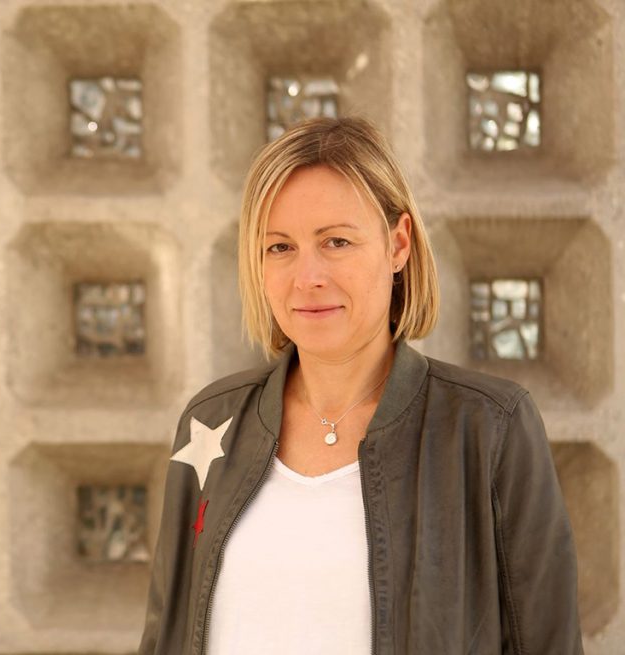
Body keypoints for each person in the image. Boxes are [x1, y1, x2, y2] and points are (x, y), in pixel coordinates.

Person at [137, 116, 582, 654]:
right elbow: (165, 633)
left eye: (337, 241)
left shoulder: (489, 428)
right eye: (280, 247)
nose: (308, 277)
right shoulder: (212, 421)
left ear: (398, 245)